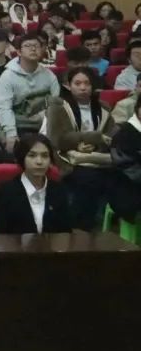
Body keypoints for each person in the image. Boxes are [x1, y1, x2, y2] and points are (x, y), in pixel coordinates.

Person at [46, 67, 115, 230]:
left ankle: (105, 226)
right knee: (88, 178)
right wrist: (85, 140)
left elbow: (110, 137)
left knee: (117, 175)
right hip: (67, 157)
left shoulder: (103, 108)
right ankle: (81, 227)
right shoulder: (58, 107)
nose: (83, 88)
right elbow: (56, 140)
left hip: (98, 158)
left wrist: (95, 145)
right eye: (77, 83)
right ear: (68, 86)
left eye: (87, 83)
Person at [0, 32, 61, 151]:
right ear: (19, 52)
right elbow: (4, 108)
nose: (33, 49)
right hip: (17, 124)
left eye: (36, 46)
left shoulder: (49, 76)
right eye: (28, 46)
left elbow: (56, 107)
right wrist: (11, 133)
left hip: (42, 125)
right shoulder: (7, 77)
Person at [0, 134, 71, 234]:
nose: (39, 162)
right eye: (32, 155)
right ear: (22, 158)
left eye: (45, 156)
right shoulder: (7, 191)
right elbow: (1, 232)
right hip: (15, 244)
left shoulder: (59, 190)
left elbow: (65, 231)